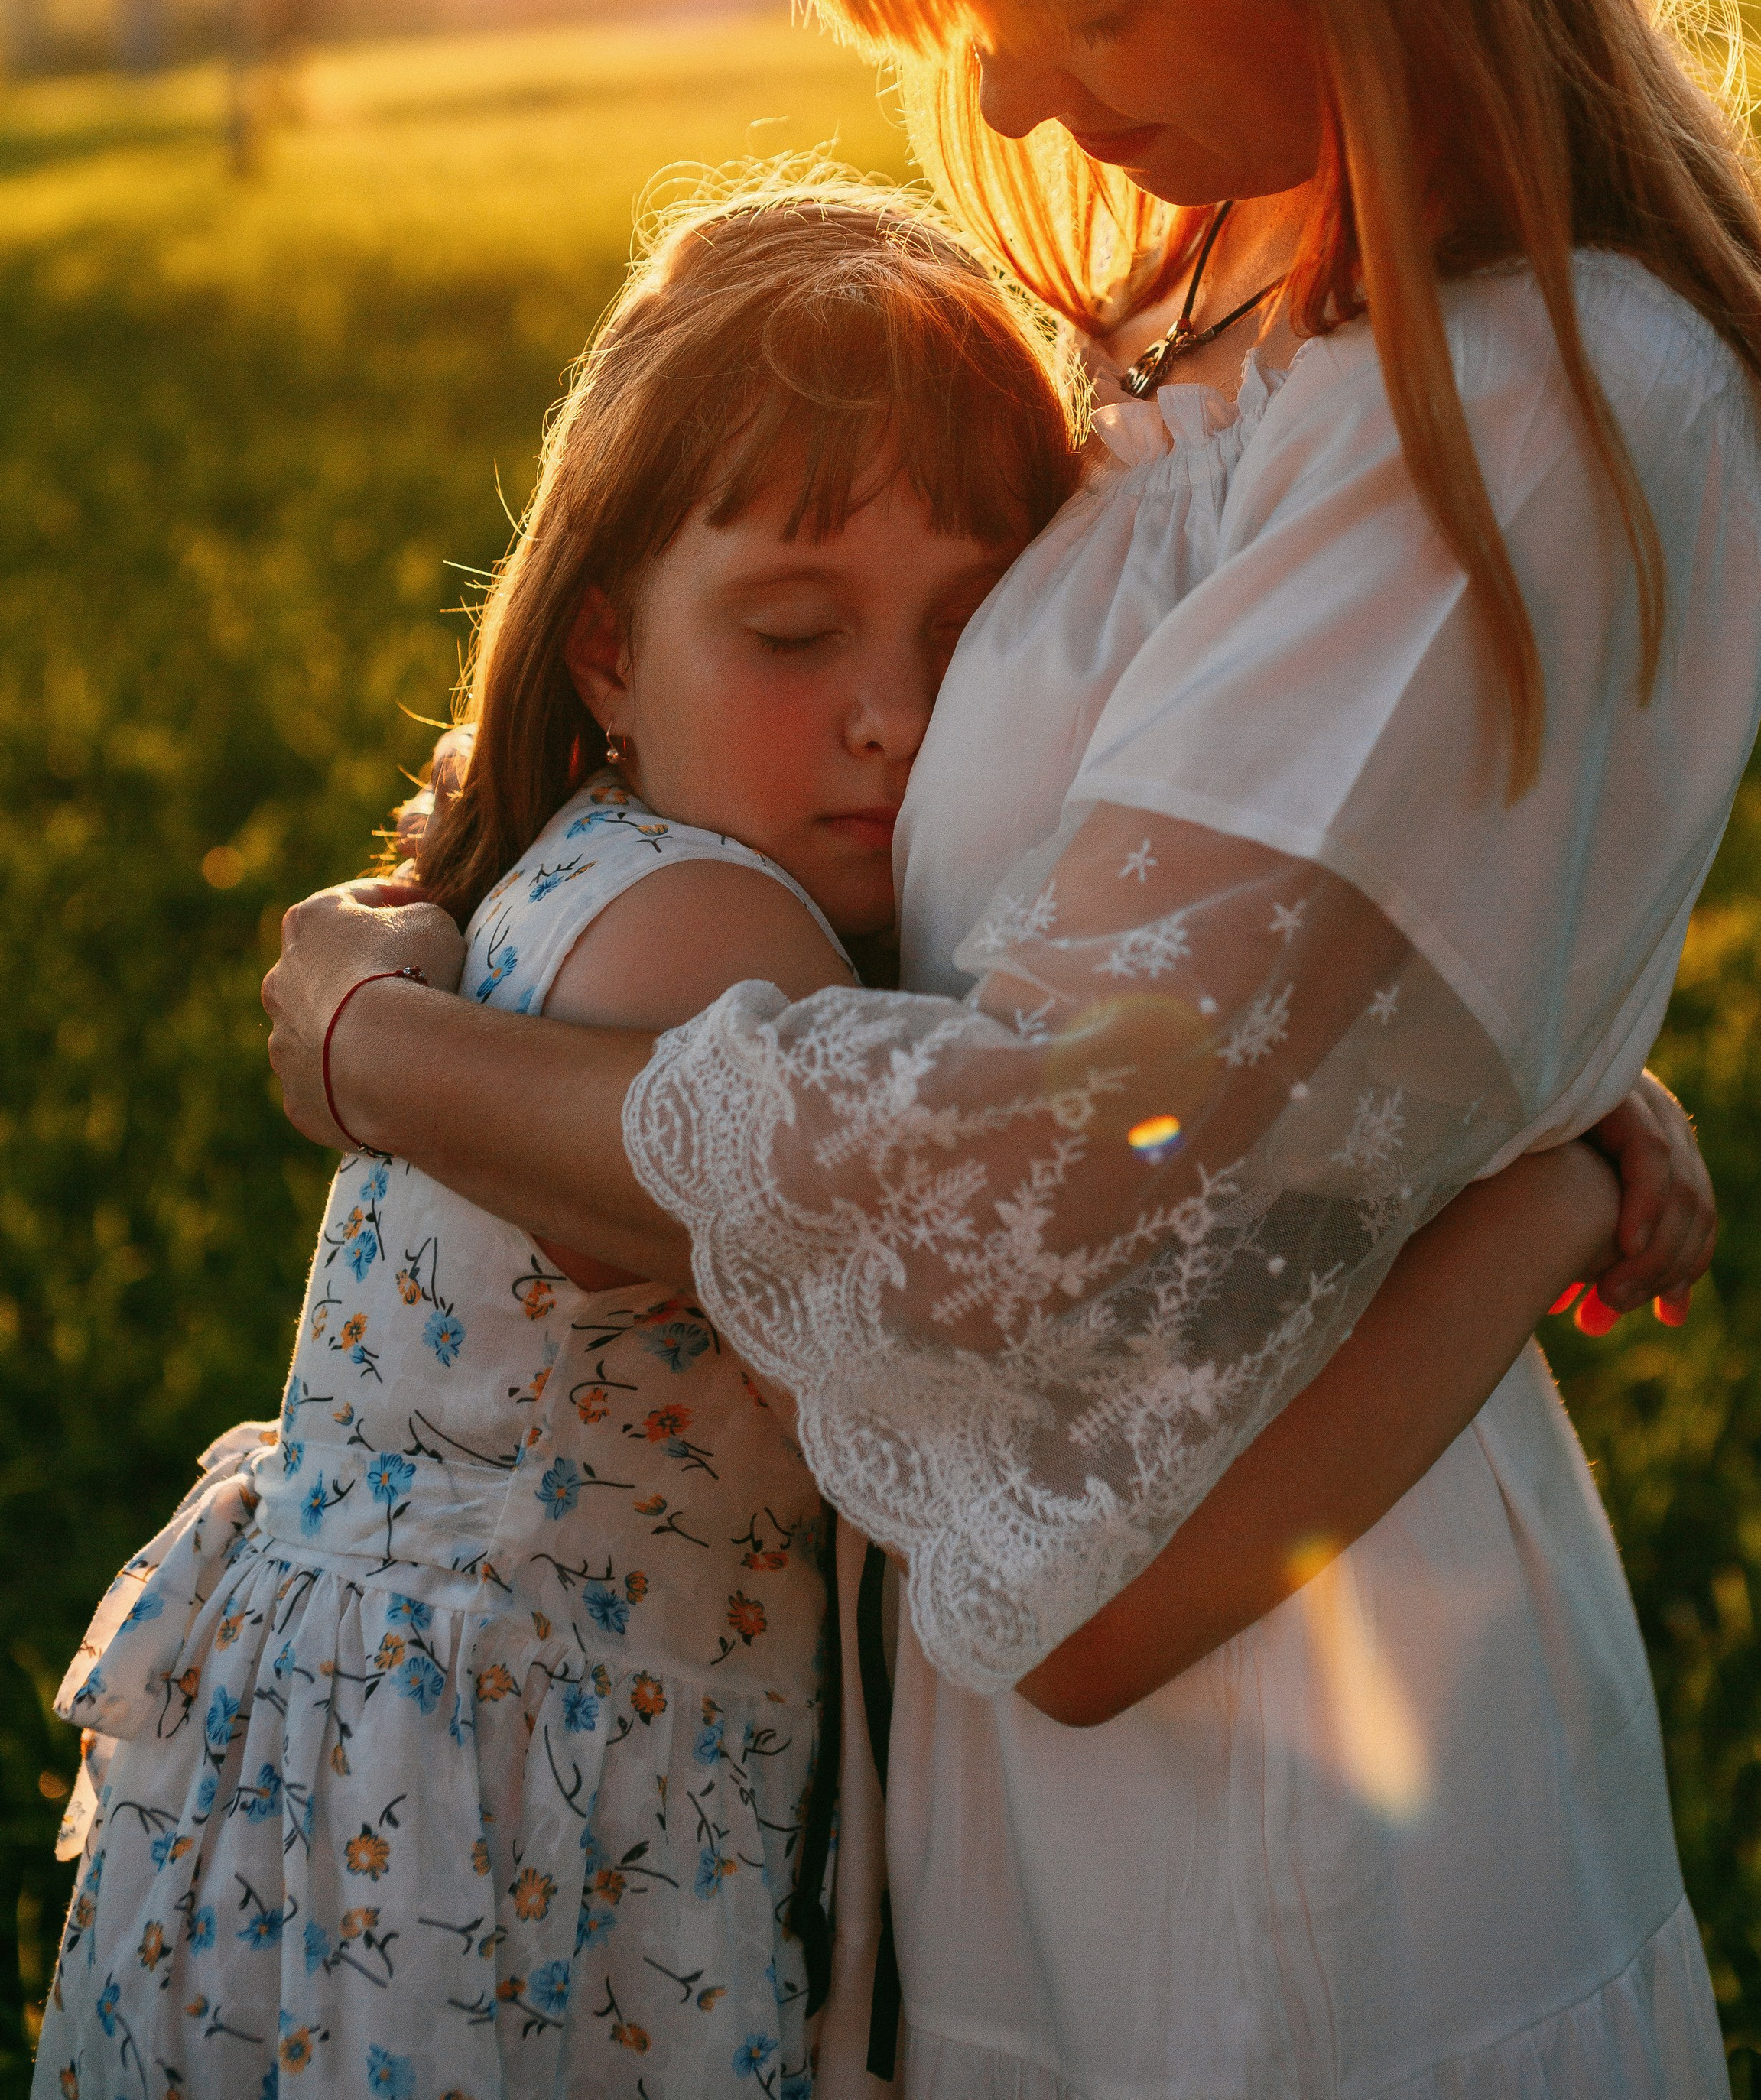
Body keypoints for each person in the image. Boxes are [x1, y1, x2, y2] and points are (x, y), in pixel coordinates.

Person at [260, 0, 1761, 2098]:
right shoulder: (1234, 316)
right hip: (998, 1727)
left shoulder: (1547, 418)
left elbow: (1011, 1195)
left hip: (1295, 1762)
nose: (998, 88)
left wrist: (380, 1053)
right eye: (968, 0)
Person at [35, 189, 1079, 2100]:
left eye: (973, 628)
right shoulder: (714, 942)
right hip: (520, 1856)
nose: (898, 716)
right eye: (792, 630)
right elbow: (1028, 1233)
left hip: (354, 1806)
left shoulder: (570, 859)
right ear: (604, 649)